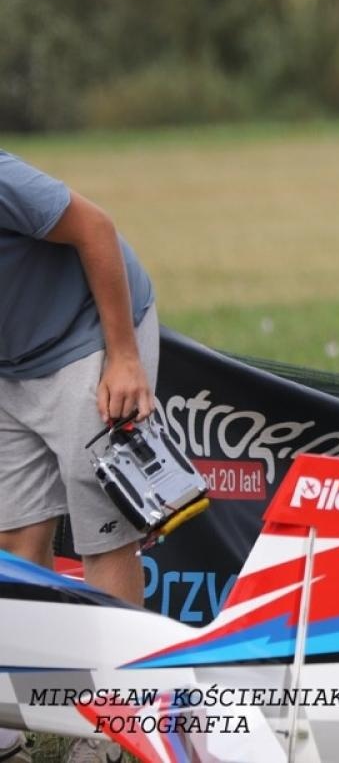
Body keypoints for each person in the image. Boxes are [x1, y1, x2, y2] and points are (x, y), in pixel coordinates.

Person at [1, 150, 159, 763]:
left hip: (86, 338)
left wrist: (123, 357)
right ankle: (11, 718)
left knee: (103, 534)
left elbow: (96, 227)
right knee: (14, 545)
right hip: (10, 365)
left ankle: (118, 727)